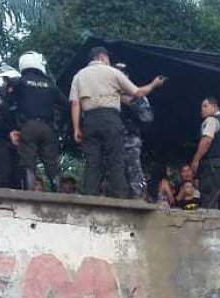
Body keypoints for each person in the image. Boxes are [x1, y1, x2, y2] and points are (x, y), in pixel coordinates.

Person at [69, 46, 165, 197]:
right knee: (116, 159)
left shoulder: (79, 75)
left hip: (89, 119)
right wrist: (154, 84)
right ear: (102, 57)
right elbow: (138, 93)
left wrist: (76, 128)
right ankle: (120, 196)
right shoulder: (112, 72)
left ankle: (88, 197)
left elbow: (75, 103)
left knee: (92, 162)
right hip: (110, 119)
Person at [11, 52, 64, 192]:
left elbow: (7, 102)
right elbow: (66, 104)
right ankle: (57, 193)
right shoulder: (50, 85)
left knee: (28, 162)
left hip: (28, 126)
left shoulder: (19, 82)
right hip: (48, 128)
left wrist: (13, 125)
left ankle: (29, 194)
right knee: (51, 163)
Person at [113, 63, 153, 199]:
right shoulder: (107, 92)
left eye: (123, 74)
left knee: (133, 170)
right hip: (112, 139)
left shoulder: (137, 94)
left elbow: (147, 118)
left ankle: (138, 198)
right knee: (112, 171)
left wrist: (130, 103)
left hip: (130, 138)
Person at [190, 96, 220, 212]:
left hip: (213, 167)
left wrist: (196, 159)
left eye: (205, 106)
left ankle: (207, 229)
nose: (202, 109)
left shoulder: (211, 120)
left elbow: (207, 140)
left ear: (214, 106)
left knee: (208, 199)